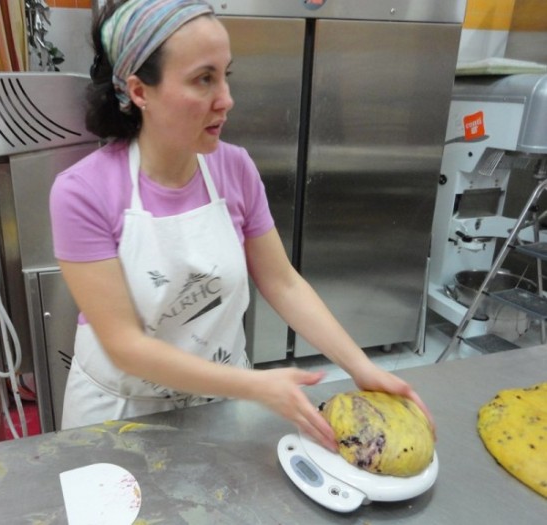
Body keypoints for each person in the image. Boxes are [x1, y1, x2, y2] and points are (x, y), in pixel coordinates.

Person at [49, 0, 434, 450]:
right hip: (118, 414)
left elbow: (283, 283)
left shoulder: (235, 169)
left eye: (225, 75)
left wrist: (361, 366)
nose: (226, 99)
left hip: (220, 403)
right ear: (139, 91)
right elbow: (125, 346)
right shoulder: (83, 192)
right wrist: (257, 386)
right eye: (203, 79)